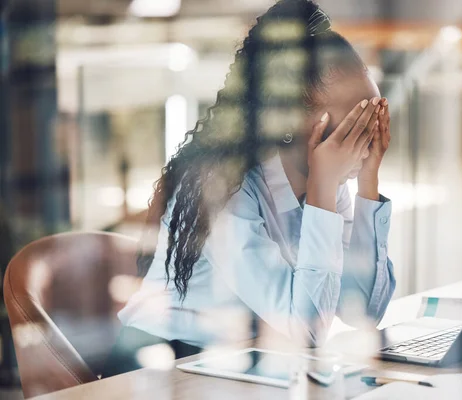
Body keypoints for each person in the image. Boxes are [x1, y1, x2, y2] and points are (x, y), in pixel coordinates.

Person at [103, 0, 395, 377]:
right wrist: (325, 185)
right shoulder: (225, 191)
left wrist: (368, 183)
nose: (370, 138)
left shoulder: (323, 179)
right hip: (160, 362)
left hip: (236, 358)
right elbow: (306, 331)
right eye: (355, 124)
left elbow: (363, 311)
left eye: (374, 116)